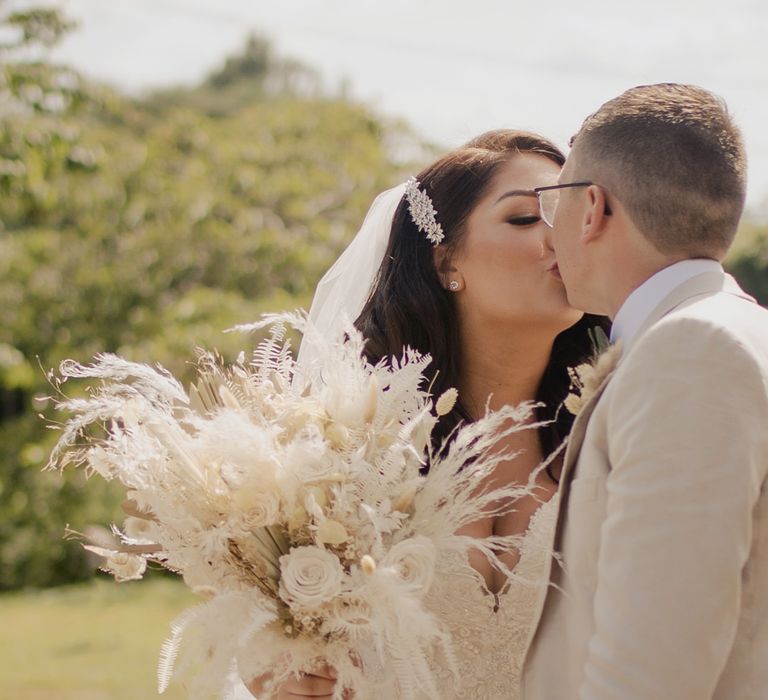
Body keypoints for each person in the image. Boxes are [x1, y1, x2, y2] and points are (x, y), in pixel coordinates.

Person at [240, 129, 609, 699]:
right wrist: (274, 667)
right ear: (445, 263)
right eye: (523, 219)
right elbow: (269, 631)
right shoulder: (345, 444)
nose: (559, 238)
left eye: (567, 214)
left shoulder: (611, 426)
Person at [522, 83, 768, 699]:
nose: (547, 237)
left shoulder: (691, 353)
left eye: (552, 204)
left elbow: (652, 669)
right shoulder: (732, 331)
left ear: (593, 209)